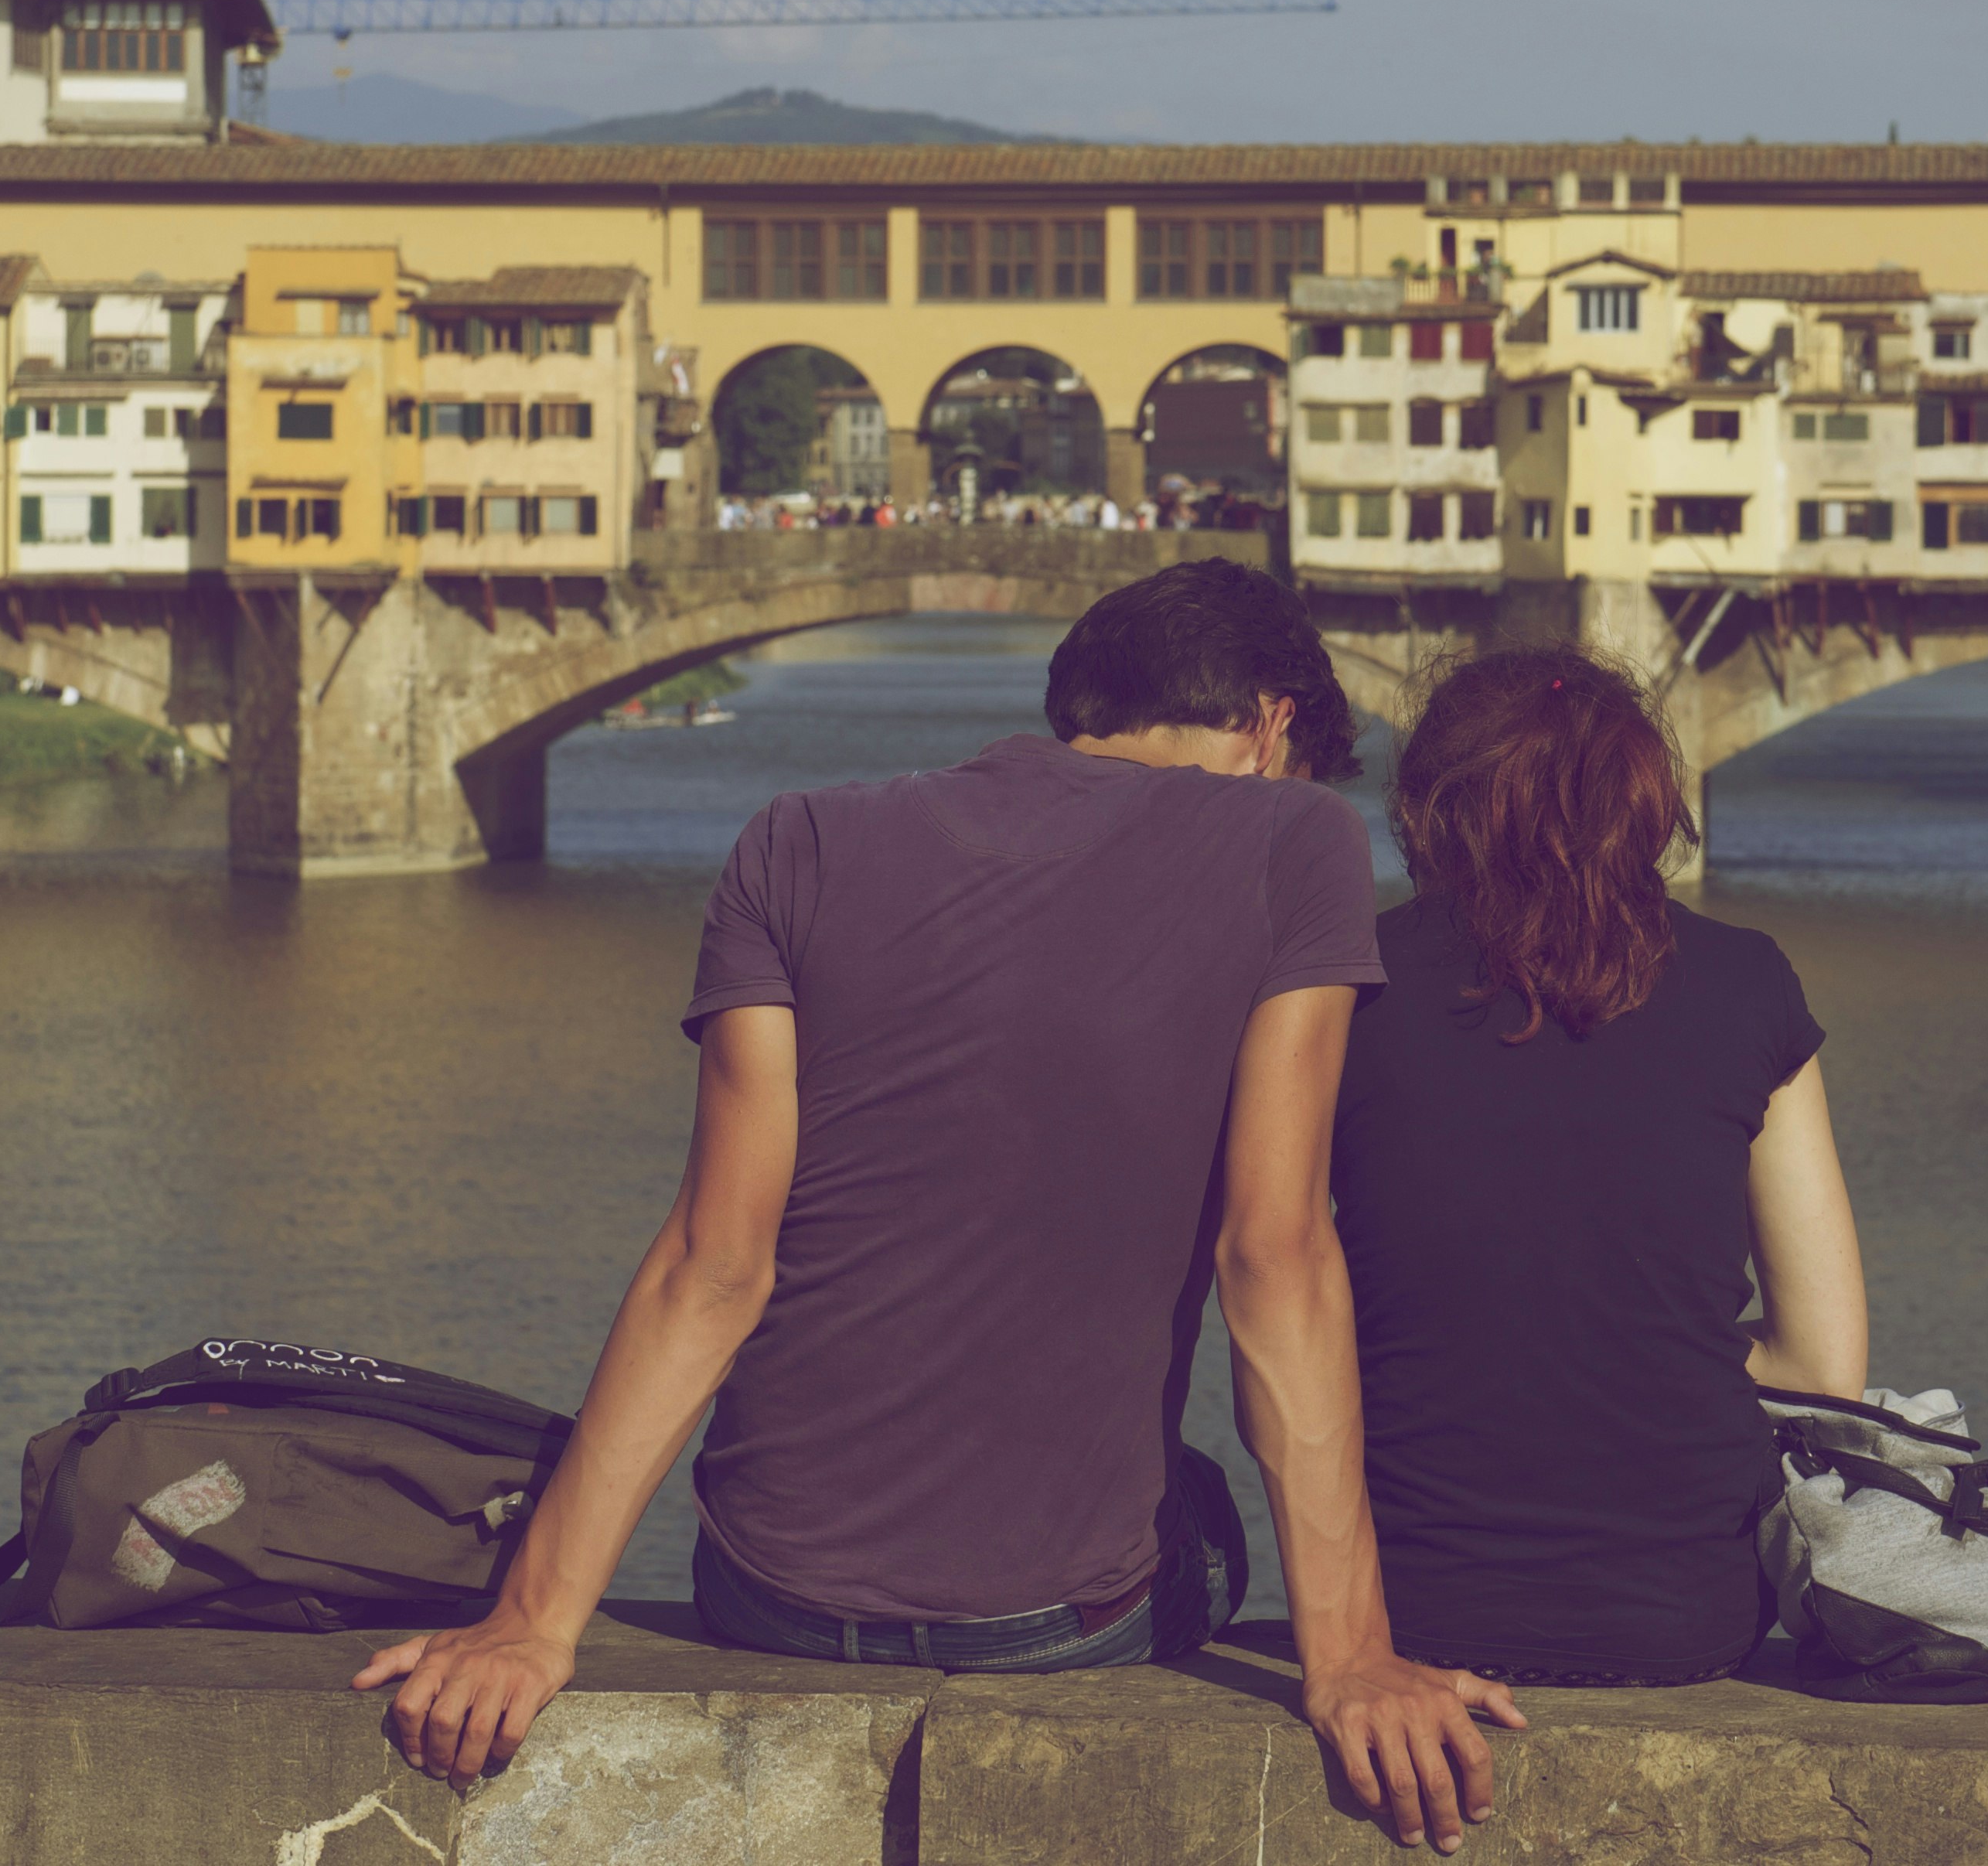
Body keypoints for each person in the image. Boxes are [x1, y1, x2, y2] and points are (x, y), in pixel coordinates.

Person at [357, 561, 1524, 1854]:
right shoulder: (1293, 839)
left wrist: (531, 1625)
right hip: (1053, 1627)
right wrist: (1352, 1658)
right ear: (1272, 726)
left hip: (765, 1593)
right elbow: (1275, 1257)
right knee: (1194, 1511)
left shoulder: (792, 839)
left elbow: (711, 1265)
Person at [1335, 646, 1868, 1687]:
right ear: (1643, 800)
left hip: (1409, 1609)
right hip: (1690, 1616)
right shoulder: (1749, 982)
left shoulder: (1345, 985)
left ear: (1427, 806)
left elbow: (1269, 1282)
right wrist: (1642, 1344)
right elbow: (1822, 1367)